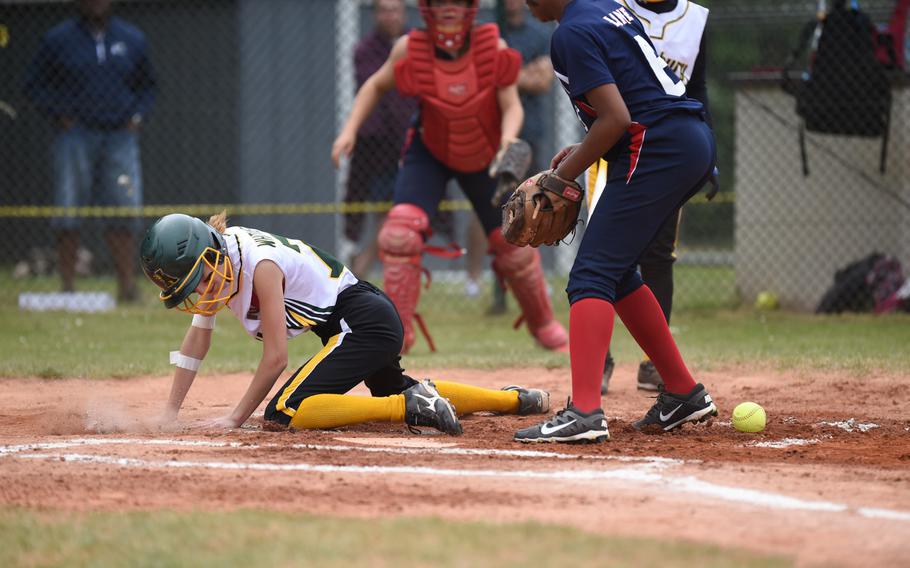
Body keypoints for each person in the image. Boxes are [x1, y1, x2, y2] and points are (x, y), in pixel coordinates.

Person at [140, 212, 550, 434]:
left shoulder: (258, 265)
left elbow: (275, 358)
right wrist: (170, 412)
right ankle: (515, 400)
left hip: (361, 320)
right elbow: (197, 341)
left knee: (285, 410)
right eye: (194, 285)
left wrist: (234, 417)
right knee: (395, 386)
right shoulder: (222, 258)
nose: (204, 290)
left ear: (211, 253)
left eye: (203, 277)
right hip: (360, 318)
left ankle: (406, 407)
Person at [514, 0, 718, 443]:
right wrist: (581, 152)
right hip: (683, 139)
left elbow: (617, 118)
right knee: (619, 272)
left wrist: (557, 178)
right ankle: (683, 392)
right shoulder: (603, 8)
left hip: (658, 147)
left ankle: (584, 412)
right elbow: (633, 99)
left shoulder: (569, 33)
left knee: (590, 274)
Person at [332, 0, 568, 354]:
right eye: (439, 1)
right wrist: (349, 130)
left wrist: (507, 140)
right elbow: (375, 86)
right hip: (430, 149)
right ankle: (394, 338)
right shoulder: (410, 47)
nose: (448, 9)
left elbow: (512, 105)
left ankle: (544, 324)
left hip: (484, 151)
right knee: (399, 234)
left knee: (514, 242)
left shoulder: (493, 46)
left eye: (456, 1)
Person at [593, 0, 716, 395]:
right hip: (616, 149)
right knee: (601, 256)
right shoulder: (612, 9)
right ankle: (601, 361)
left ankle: (656, 365)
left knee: (659, 255)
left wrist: (708, 153)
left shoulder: (696, 19)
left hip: (667, 154)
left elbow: (697, 89)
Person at [25, 0, 156, 302]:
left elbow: (149, 86)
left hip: (120, 135)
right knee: (68, 208)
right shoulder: (58, 39)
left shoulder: (131, 37)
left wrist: (137, 117)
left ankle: (127, 286)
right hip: (75, 135)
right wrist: (59, 114)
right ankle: (68, 288)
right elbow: (34, 84)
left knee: (124, 209)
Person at [465, 0, 555, 310]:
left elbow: (542, 81)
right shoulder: (488, 33)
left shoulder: (538, 34)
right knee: (489, 207)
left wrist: (502, 74)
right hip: (490, 137)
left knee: (531, 205)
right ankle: (478, 280)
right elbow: (475, 78)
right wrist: (520, 74)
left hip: (527, 136)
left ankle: (529, 279)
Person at [341, 0, 418, 277]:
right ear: (375, 14)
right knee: (384, 212)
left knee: (400, 211)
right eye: (384, 10)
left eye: (395, 9)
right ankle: (360, 269)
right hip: (376, 145)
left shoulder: (416, 43)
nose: (390, 15)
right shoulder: (365, 49)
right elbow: (380, 89)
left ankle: (365, 268)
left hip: (410, 141)